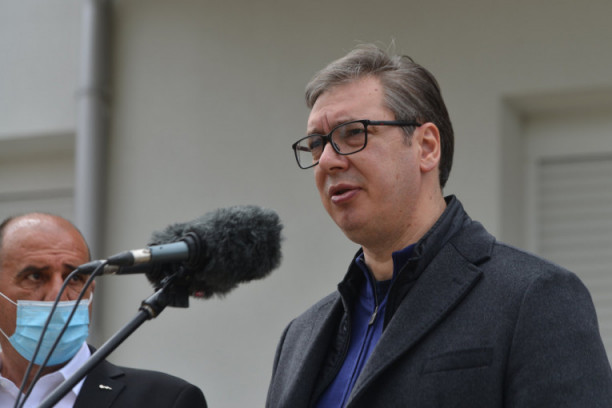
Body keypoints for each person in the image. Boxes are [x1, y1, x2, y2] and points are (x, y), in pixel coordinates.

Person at [266, 44, 612, 407]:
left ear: (427, 147)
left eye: (353, 133)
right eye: (317, 144)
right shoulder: (299, 337)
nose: (327, 161)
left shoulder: (535, 298)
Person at [0, 212, 207, 407]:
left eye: (75, 278)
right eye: (35, 276)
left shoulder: (165, 400)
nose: (59, 295)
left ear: (91, 289)